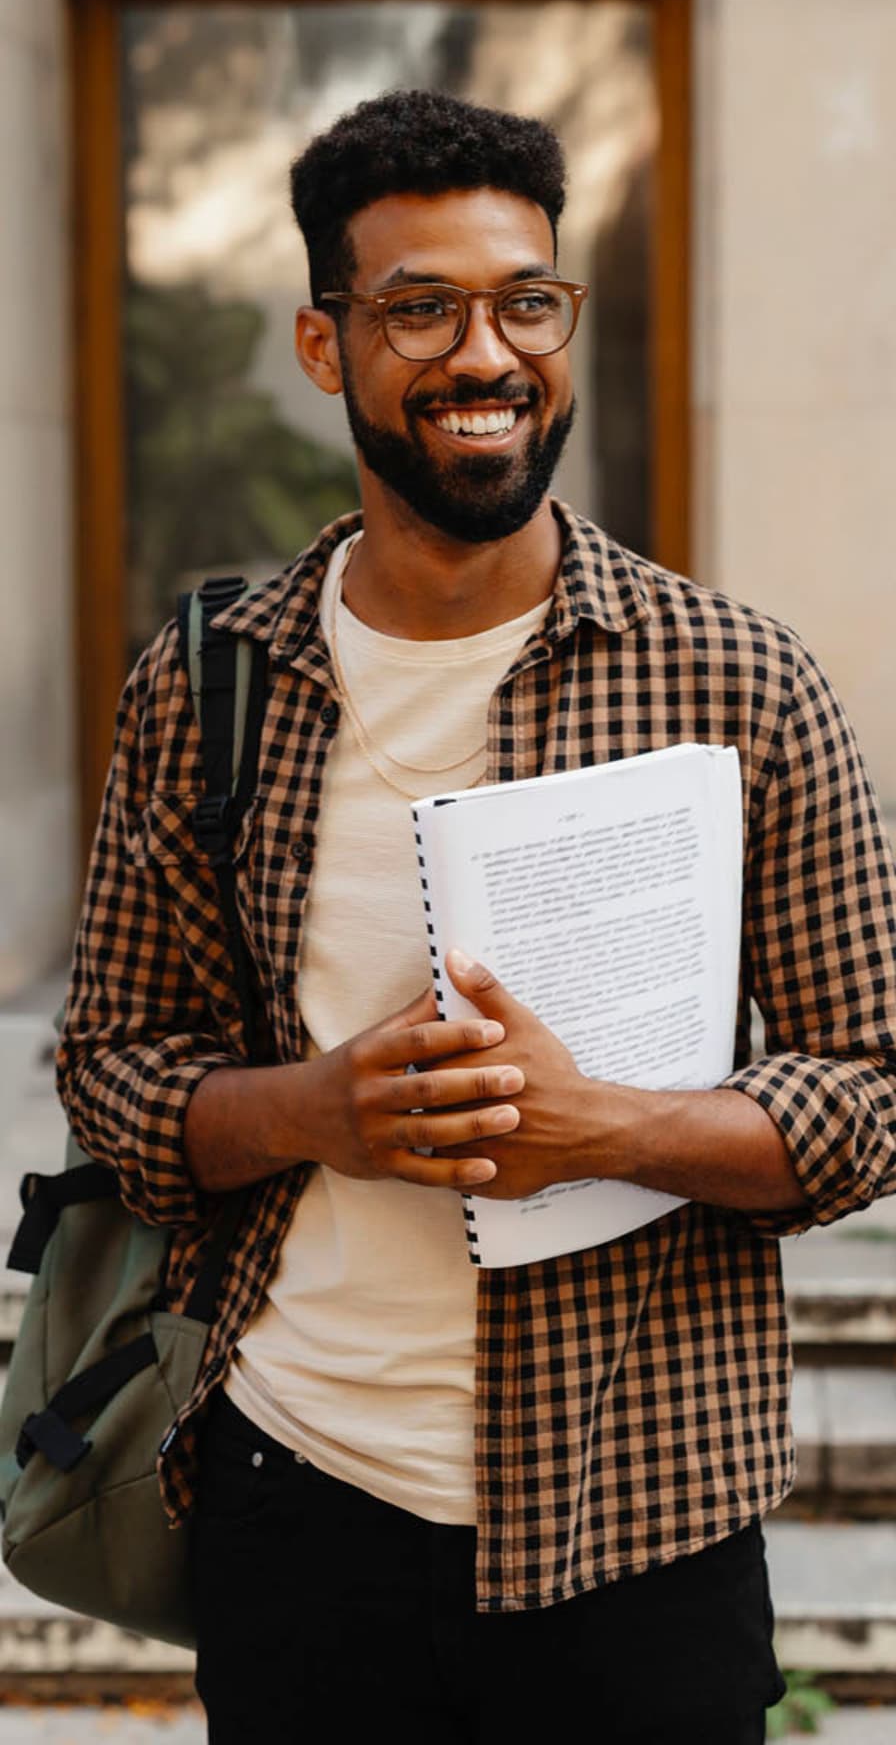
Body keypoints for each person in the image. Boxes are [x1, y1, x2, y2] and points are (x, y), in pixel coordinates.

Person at [58, 90, 896, 1745]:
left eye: (529, 300)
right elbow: (111, 1070)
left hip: (641, 1518)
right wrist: (317, 1109)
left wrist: (612, 1125)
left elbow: (871, 1090)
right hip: (298, 1499)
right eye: (421, 308)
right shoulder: (212, 678)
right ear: (325, 345)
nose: (489, 354)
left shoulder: (735, 678)